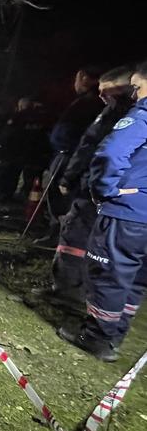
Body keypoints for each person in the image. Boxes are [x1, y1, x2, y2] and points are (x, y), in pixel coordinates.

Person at [57, 60, 147, 362]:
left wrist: (104, 191)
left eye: (136, 87)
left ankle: (96, 337)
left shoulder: (141, 116)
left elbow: (109, 153)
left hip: (127, 213)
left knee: (109, 274)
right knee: (133, 280)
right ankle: (114, 336)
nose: (134, 95)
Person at [46, 66, 135, 313]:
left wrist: (74, 178)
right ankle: (77, 291)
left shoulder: (124, 115)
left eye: (105, 91)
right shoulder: (114, 111)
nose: (101, 96)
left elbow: (96, 149)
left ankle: (67, 292)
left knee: (77, 235)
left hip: (98, 190)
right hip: (109, 191)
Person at [38, 67, 105, 244]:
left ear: (84, 78)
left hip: (70, 157)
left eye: (76, 78)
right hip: (64, 154)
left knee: (63, 199)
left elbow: (86, 139)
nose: (74, 83)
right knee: (55, 197)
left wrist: (70, 167)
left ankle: (60, 238)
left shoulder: (93, 102)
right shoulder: (83, 101)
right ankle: (54, 234)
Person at [0, 97, 51, 205]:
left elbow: (6, 135)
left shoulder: (17, 117)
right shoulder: (39, 119)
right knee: (13, 177)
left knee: (1, 178)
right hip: (24, 155)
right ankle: (9, 197)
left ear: (20, 106)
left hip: (9, 153)